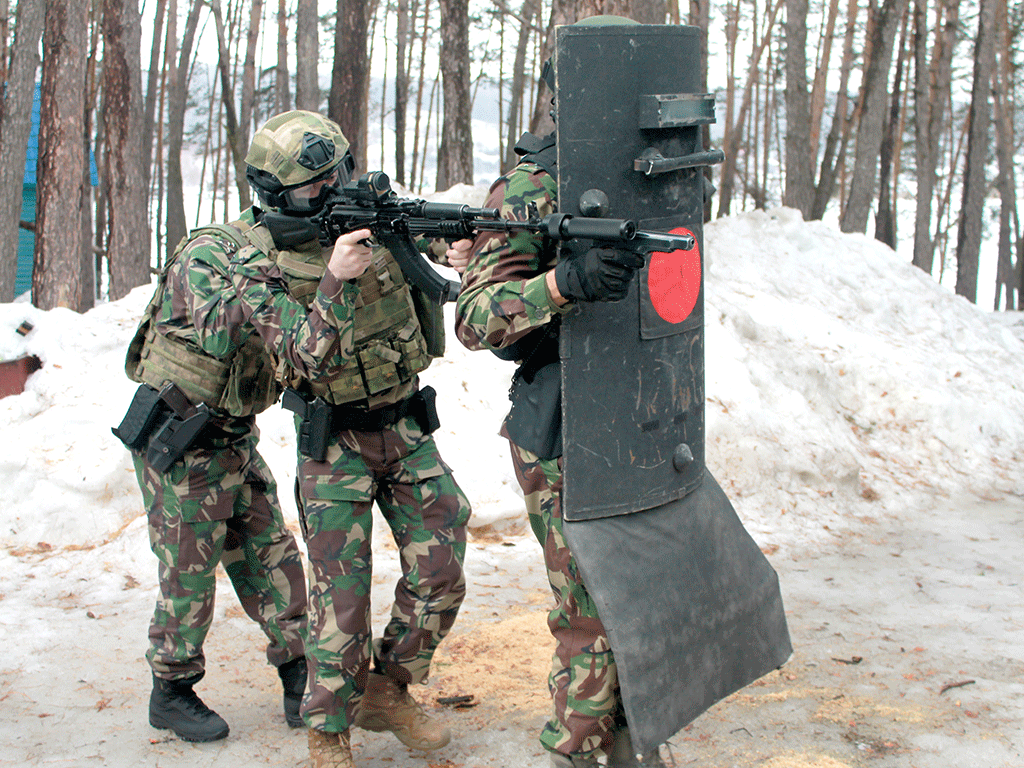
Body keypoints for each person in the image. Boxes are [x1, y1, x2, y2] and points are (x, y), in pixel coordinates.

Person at [228, 109, 473, 768]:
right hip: (333, 442)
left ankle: (388, 690)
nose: (333, 187)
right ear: (277, 195)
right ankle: (327, 728)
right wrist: (335, 277)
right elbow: (296, 362)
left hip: (403, 423)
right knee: (341, 593)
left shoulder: (376, 220)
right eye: (315, 184)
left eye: (340, 171)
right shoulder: (258, 258)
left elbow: (432, 290)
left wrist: (458, 255)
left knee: (443, 558)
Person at [451, 19, 664, 768]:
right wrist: (561, 283)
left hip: (638, 415)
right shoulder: (534, 182)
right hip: (564, 421)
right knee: (586, 612)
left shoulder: (659, 175)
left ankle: (634, 739)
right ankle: (573, 752)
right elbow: (475, 319)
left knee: (643, 594)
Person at [114, 191, 309, 742]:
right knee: (189, 569)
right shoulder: (211, 253)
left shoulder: (285, 258)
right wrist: (273, 281)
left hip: (230, 434)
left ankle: (299, 671)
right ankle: (171, 691)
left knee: (270, 550)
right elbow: (222, 333)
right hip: (182, 436)